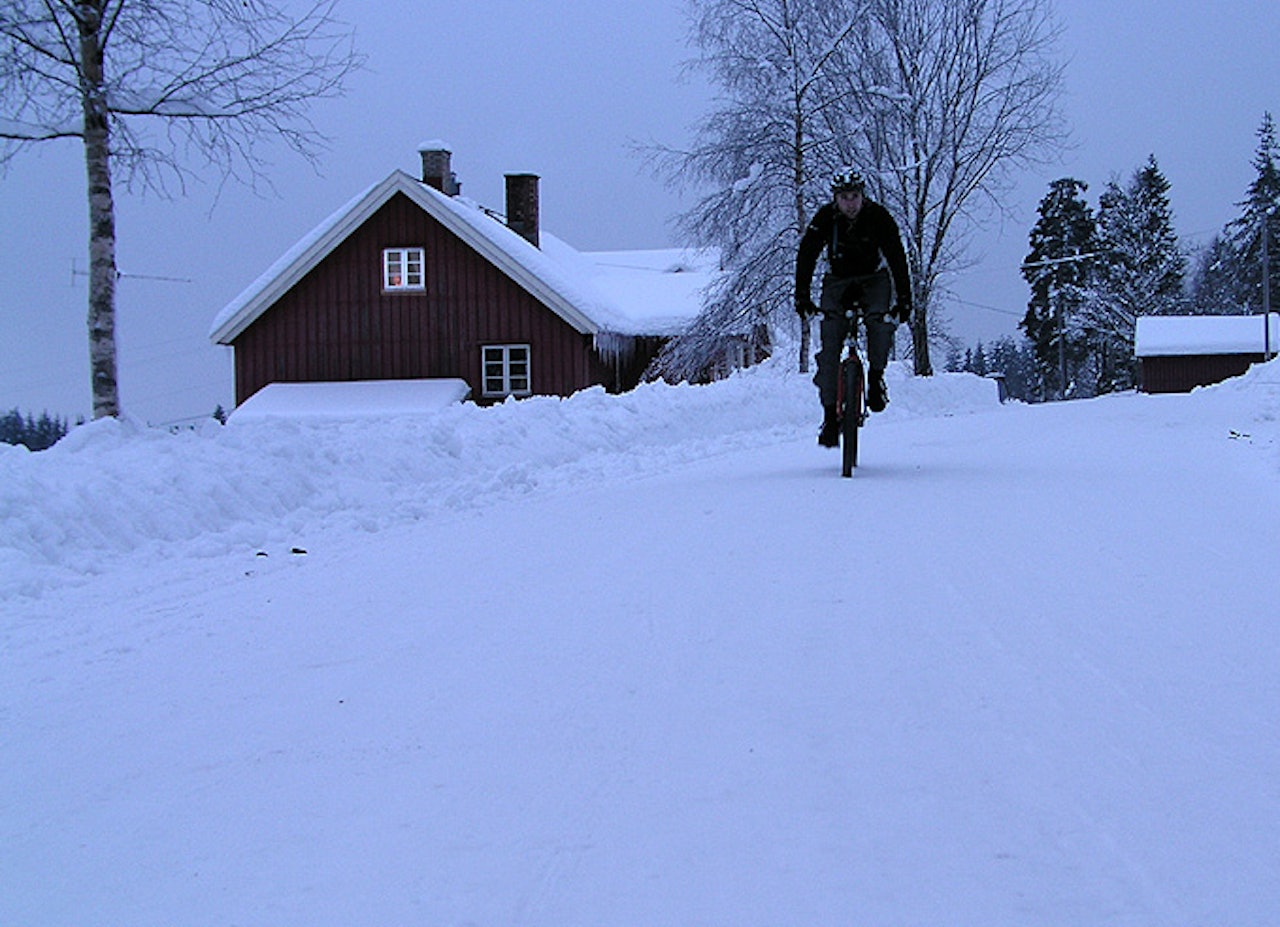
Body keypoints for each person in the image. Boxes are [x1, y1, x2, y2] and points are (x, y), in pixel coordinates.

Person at [795, 170, 912, 447]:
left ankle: (875, 379)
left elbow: (896, 255)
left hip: (874, 278)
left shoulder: (879, 218)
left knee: (879, 322)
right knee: (830, 341)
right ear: (836, 199)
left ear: (863, 196)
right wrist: (801, 296)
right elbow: (807, 254)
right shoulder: (826, 218)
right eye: (844, 198)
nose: (850, 203)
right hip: (838, 280)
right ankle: (830, 418)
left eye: (855, 197)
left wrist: (904, 299)